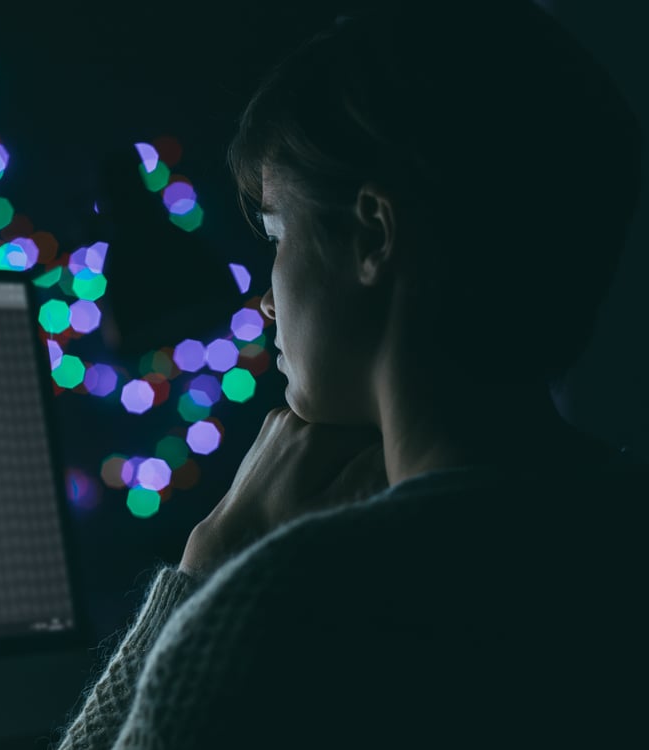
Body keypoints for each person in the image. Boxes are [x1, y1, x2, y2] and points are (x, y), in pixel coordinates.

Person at [52, 0, 647, 746]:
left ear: (373, 234)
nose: (266, 302)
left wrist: (202, 572)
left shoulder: (289, 606)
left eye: (276, 235)